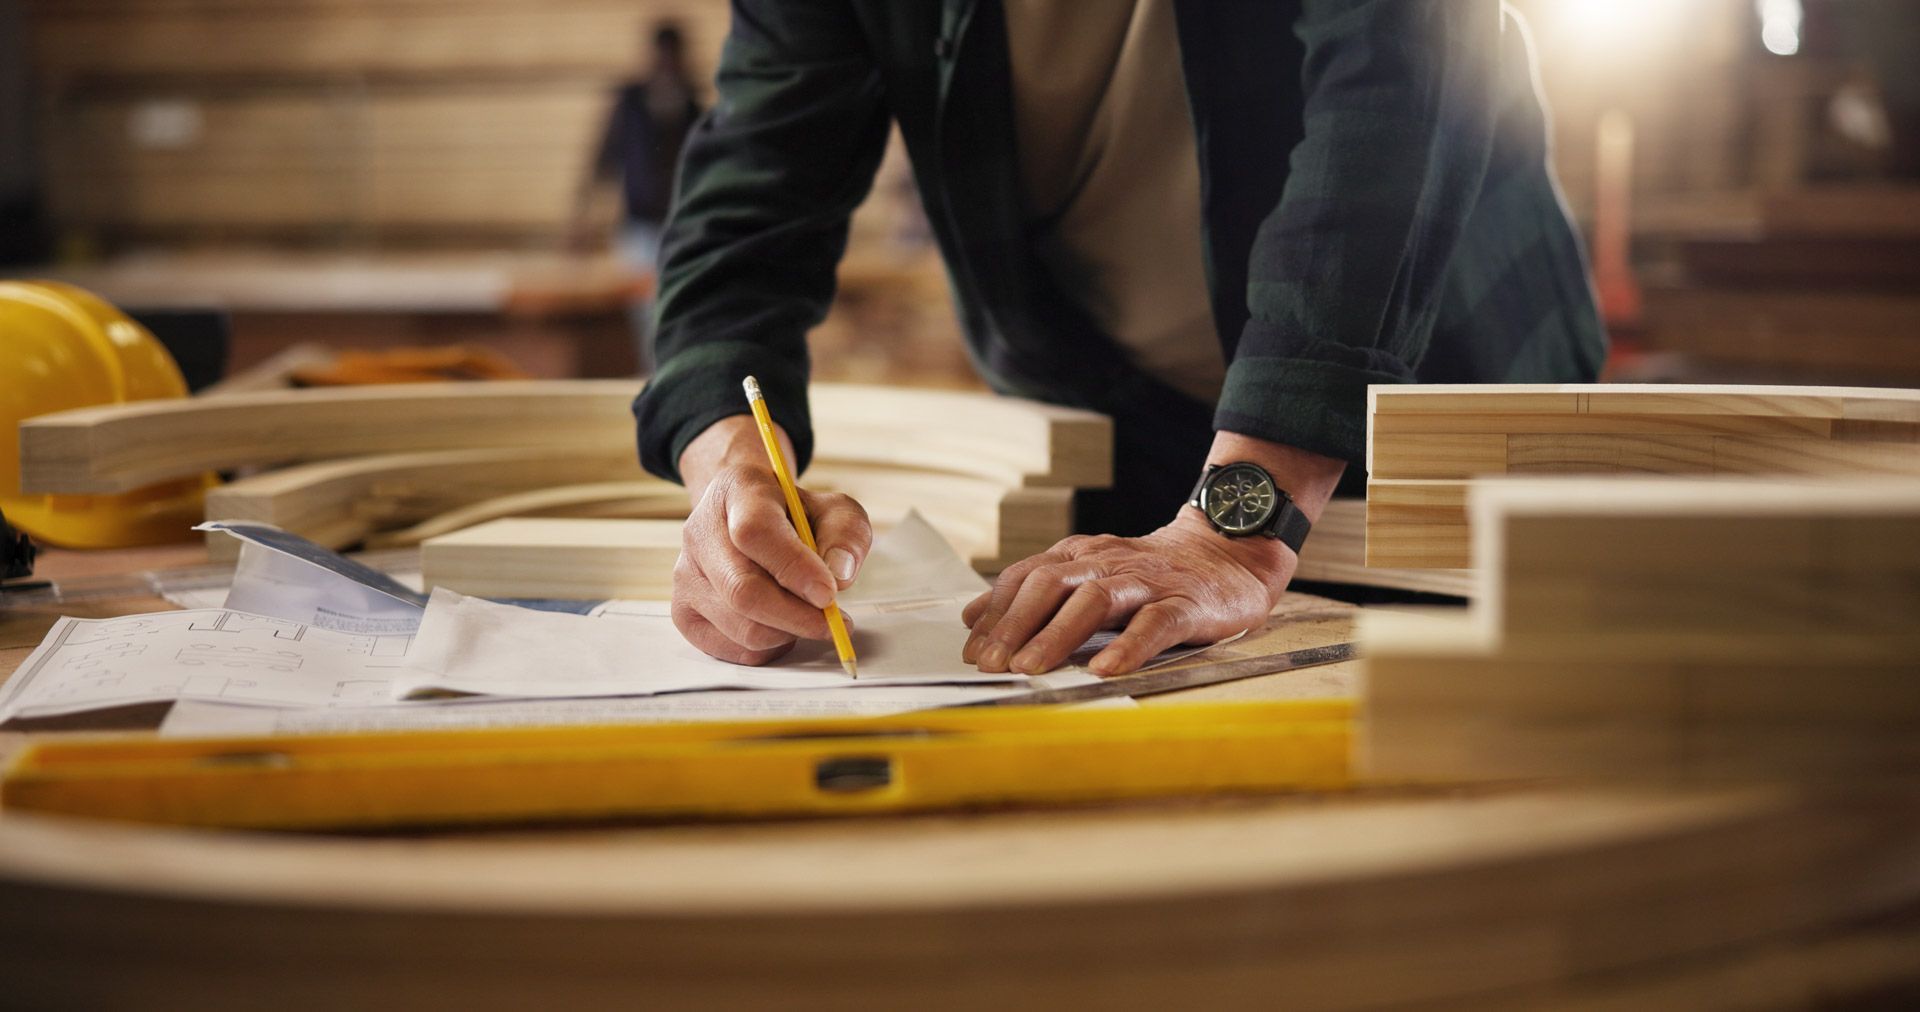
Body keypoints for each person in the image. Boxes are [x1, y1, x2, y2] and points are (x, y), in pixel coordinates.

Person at [635, 1, 1606, 677]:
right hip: (1125, 413)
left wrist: (1239, 523)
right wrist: (733, 474)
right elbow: (748, 209)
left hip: (1440, 380)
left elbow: (1405, 76)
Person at [574, 20, 704, 367]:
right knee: (644, 311)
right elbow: (603, 158)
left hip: (678, 225)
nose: (668, 63)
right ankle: (655, 374)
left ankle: (672, 371)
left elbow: (703, 168)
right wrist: (583, 218)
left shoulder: (692, 106)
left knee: (677, 302)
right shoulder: (630, 101)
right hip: (637, 225)